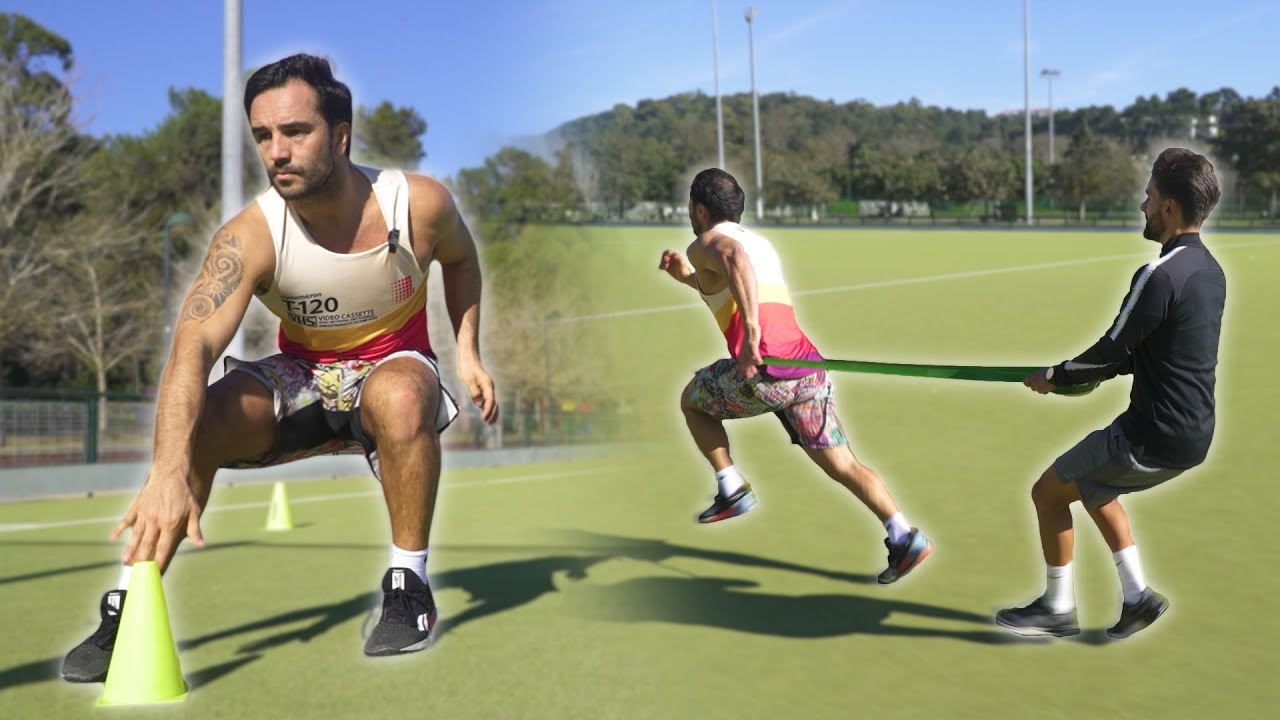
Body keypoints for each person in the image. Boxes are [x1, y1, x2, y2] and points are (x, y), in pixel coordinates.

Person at [62, 53, 498, 681]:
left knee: (401, 394)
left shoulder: (418, 204)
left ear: (341, 135)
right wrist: (165, 470)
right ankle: (132, 602)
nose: (277, 152)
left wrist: (469, 351)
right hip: (305, 375)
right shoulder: (250, 237)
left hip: (392, 368)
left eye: (296, 132)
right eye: (263, 136)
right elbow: (192, 347)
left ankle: (409, 584)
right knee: (204, 419)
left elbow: (461, 260)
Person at [658, 168, 933, 584]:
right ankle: (904, 534)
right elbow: (729, 278)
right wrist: (687, 279)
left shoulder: (708, 243)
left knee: (692, 401)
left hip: (765, 373)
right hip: (808, 372)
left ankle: (730, 487)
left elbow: (731, 260)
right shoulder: (762, 245)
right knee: (843, 463)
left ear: (700, 209)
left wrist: (751, 335)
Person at [996, 148, 1225, 640]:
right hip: (1194, 433)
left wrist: (1056, 375)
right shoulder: (1210, 272)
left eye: (1149, 196)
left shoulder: (1159, 275)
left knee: (1048, 493)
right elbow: (1145, 353)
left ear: (1169, 208)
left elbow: (1110, 351)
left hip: (1151, 436)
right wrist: (1078, 376)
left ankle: (1057, 609)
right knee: (1097, 488)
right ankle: (1138, 598)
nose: (1142, 205)